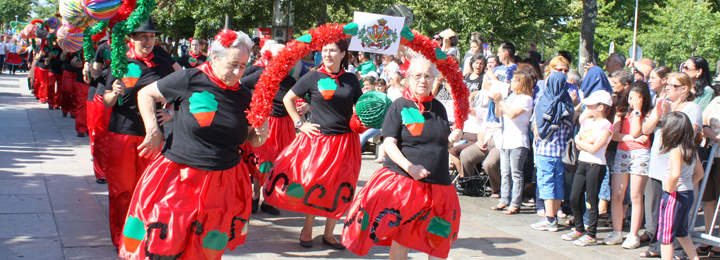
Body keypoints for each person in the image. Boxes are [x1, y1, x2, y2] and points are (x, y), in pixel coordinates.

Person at [117, 29, 267, 260]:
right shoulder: (189, 78)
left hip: (223, 182)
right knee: (163, 244)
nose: (238, 72)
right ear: (215, 58)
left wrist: (262, 134)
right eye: (233, 64)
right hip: (180, 176)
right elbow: (145, 94)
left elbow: (251, 139)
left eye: (243, 66)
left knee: (206, 248)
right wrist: (153, 130)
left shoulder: (245, 96)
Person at [341, 56, 463, 259]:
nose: (423, 80)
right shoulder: (399, 106)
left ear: (434, 80)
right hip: (408, 185)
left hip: (440, 186)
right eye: (418, 75)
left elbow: (441, 144)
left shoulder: (439, 108)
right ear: (408, 78)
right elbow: (389, 143)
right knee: (403, 238)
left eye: (428, 76)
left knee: (439, 239)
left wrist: (452, 139)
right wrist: (410, 167)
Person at [263, 38, 363, 249]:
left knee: (339, 186)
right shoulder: (312, 76)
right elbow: (287, 99)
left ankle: (329, 234)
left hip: (346, 142)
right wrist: (300, 124)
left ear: (343, 54)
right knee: (315, 185)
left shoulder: (352, 79)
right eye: (324, 50)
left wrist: (362, 118)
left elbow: (359, 106)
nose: (327, 54)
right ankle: (307, 229)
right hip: (319, 141)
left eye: (333, 51)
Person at [99, 19, 176, 250]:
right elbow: (107, 100)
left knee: (149, 189)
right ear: (131, 39)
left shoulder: (162, 64)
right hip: (122, 133)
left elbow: (177, 93)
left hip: (152, 136)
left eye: (152, 36)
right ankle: (120, 239)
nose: (148, 41)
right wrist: (114, 91)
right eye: (143, 36)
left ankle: (142, 237)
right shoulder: (120, 62)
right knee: (122, 189)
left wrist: (170, 112)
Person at [639, 72, 703, 258]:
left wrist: (668, 115)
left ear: (685, 89)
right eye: (667, 84)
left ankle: (673, 251)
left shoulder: (692, 107)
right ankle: (655, 247)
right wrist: (658, 113)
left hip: (676, 172)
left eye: (673, 86)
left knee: (672, 219)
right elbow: (645, 130)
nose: (668, 88)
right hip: (659, 166)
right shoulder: (661, 102)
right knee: (656, 211)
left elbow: (688, 133)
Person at [239, 41, 295, 216]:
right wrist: (253, 104)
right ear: (269, 58)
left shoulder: (290, 79)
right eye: (277, 58)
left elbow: (300, 96)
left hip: (284, 125)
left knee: (277, 164)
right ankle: (255, 197)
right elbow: (240, 85)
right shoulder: (261, 74)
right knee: (262, 161)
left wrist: (303, 107)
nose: (282, 63)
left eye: (285, 59)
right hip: (266, 123)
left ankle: (268, 200)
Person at [561, 90, 614, 246]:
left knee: (591, 199)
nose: (588, 106)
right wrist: (583, 142)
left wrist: (580, 142)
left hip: (596, 165)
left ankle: (591, 233)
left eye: (592, 104)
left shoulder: (607, 125)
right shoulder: (588, 121)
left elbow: (593, 147)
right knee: (574, 197)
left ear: (601, 107)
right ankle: (579, 229)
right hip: (583, 162)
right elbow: (584, 134)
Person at [604, 82, 653, 248]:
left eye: (636, 98)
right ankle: (617, 232)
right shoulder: (622, 111)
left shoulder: (648, 113)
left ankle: (633, 234)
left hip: (640, 154)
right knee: (617, 193)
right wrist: (632, 138)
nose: (632, 101)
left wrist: (638, 111)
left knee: (636, 196)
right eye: (630, 97)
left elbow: (636, 130)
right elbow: (615, 135)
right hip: (622, 152)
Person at [656, 112, 704, 260]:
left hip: (674, 195)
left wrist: (670, 188)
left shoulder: (676, 151)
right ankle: (695, 258)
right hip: (687, 193)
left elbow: (675, 174)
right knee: (682, 232)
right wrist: (687, 184)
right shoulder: (692, 150)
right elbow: (700, 173)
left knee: (666, 236)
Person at [531, 72, 574, 231]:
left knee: (546, 184)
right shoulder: (568, 102)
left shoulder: (545, 101)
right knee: (558, 184)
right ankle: (553, 216)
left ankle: (549, 219)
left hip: (545, 150)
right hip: (562, 152)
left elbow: (538, 127)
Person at [489, 71, 534, 214]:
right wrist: (498, 102)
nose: (511, 83)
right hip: (506, 140)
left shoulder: (526, 99)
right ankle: (504, 199)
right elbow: (499, 114)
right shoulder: (510, 97)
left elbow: (513, 114)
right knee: (505, 172)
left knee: (516, 172)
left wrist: (501, 101)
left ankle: (515, 203)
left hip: (518, 140)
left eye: (514, 81)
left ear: (520, 83)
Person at [59, 51, 78, 117]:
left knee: (75, 92)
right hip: (67, 71)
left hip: (77, 72)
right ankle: (64, 109)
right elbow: (62, 59)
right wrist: (64, 53)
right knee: (66, 90)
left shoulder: (80, 46)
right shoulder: (66, 47)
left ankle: (73, 111)